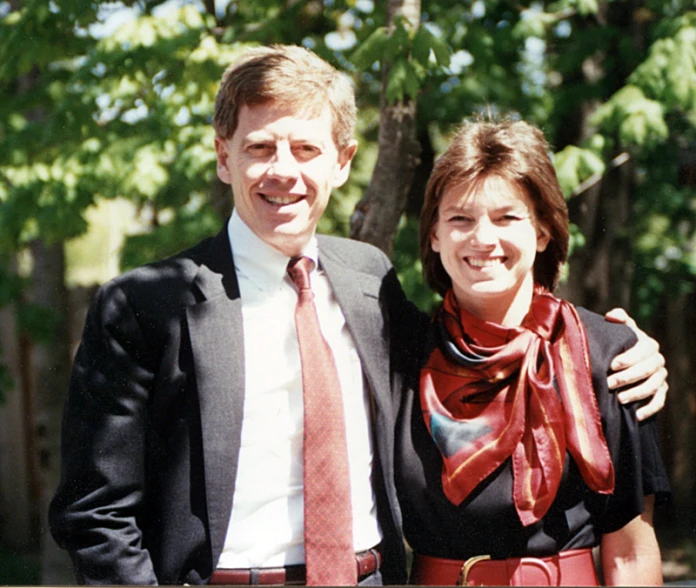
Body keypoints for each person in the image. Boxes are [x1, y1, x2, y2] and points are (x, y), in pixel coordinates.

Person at [49, 45, 666, 586]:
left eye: (306, 148)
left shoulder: (367, 282)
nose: (283, 171)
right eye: (259, 147)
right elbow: (95, 510)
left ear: (341, 162)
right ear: (222, 156)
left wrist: (628, 346)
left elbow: (502, 334)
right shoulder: (148, 305)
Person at [395, 119, 670, 586]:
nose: (483, 238)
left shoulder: (610, 356)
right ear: (435, 235)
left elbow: (629, 553)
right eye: (460, 218)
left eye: (507, 217)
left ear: (542, 231)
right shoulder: (399, 354)